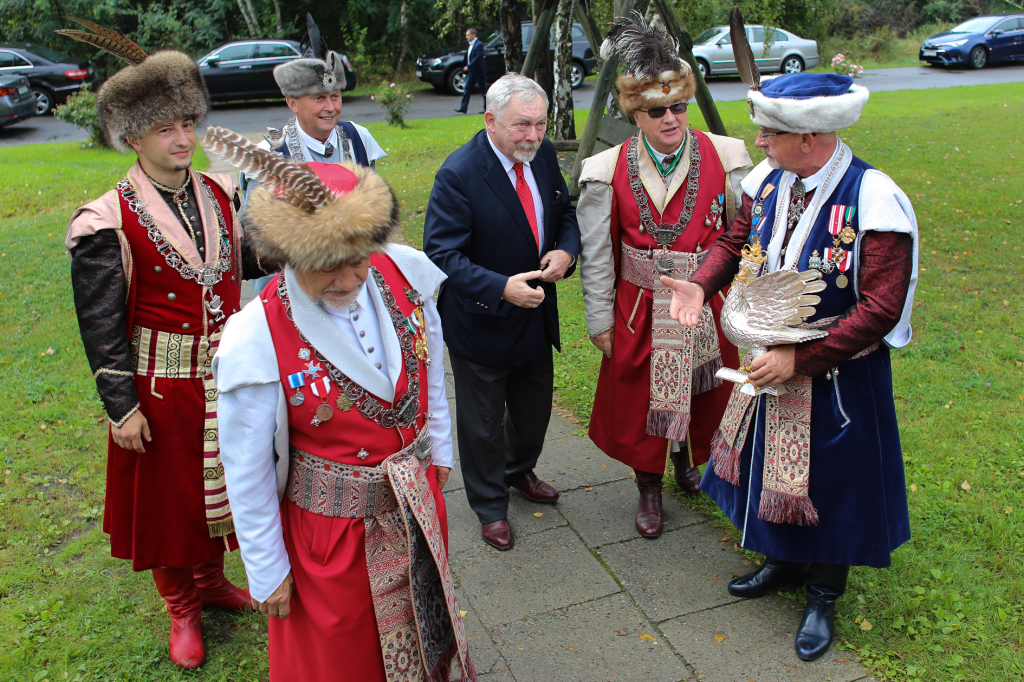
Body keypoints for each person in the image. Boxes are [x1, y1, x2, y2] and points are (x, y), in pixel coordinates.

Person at [662, 64, 918, 660]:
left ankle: (824, 592)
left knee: (831, 475)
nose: (758, 142)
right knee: (768, 463)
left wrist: (801, 360)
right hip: (771, 360)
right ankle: (783, 558)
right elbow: (735, 240)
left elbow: (881, 306)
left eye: (769, 131)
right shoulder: (769, 177)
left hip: (839, 372)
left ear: (809, 137)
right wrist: (700, 285)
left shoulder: (873, 197)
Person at [211, 135, 476, 681]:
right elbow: (247, 466)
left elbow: (430, 367)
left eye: (358, 262)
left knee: (427, 632)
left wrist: (440, 448)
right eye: (329, 267)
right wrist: (265, 569)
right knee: (343, 661)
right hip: (329, 544)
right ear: (291, 255)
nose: (349, 280)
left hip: (415, 507)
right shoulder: (255, 336)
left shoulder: (405, 272)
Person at [61, 35, 267, 668]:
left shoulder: (218, 191)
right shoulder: (106, 219)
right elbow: (99, 322)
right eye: (164, 129)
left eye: (187, 123)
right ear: (133, 138)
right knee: (170, 500)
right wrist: (122, 407)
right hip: (160, 380)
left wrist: (304, 234)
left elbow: (245, 261)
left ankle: (210, 582)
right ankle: (182, 605)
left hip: (228, 372)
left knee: (228, 485)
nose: (183, 138)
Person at [576, 13, 752, 539]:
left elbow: (748, 242)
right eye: (657, 110)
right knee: (641, 399)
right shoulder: (604, 170)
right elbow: (598, 255)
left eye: (679, 106)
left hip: (708, 301)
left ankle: (692, 463)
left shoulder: (730, 156)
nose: (671, 119)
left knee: (710, 392)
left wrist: (744, 308)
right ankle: (649, 485)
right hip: (639, 305)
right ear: (635, 112)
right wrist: (599, 319)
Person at [423, 73, 581, 551]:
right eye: (521, 126)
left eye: (539, 124)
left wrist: (566, 252)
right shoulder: (458, 174)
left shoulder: (543, 154)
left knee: (533, 413)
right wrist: (500, 287)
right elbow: (441, 255)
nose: (533, 136)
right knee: (483, 423)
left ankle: (517, 472)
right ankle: (490, 505)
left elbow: (565, 213)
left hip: (535, 314)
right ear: (490, 120)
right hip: (482, 320)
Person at [242, 14, 386, 295]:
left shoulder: (358, 136)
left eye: (335, 96)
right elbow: (257, 240)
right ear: (292, 103)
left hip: (353, 277)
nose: (330, 107)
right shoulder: (269, 155)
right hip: (294, 283)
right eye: (318, 98)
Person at [455, 27, 488, 114]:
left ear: (473, 35)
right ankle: (463, 107)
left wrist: (468, 66)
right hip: (471, 72)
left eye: (468, 35)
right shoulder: (470, 45)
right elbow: (468, 57)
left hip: (478, 71)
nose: (466, 37)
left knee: (483, 90)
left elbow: (478, 58)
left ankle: (487, 109)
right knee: (467, 89)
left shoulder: (479, 44)